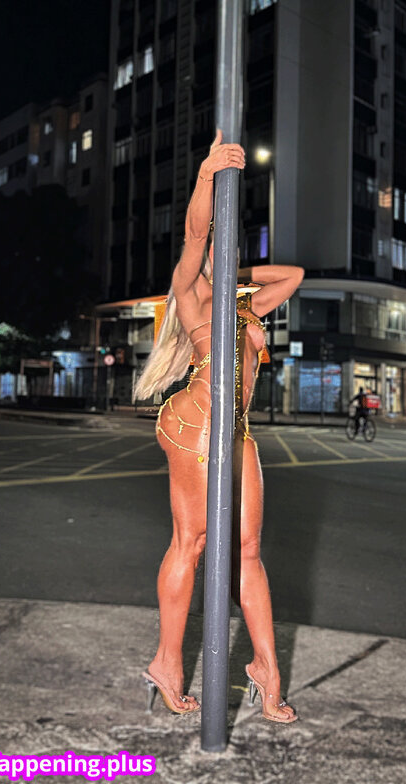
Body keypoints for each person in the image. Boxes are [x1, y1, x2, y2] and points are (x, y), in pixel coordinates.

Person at [134, 130, 304, 724]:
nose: (218, 254)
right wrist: (207, 175)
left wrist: (238, 271)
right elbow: (193, 234)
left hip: (237, 429)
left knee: (248, 549)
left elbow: (294, 275)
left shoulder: (243, 304)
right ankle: (167, 662)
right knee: (194, 540)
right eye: (218, 248)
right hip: (198, 418)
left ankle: (266, 670)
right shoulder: (192, 293)